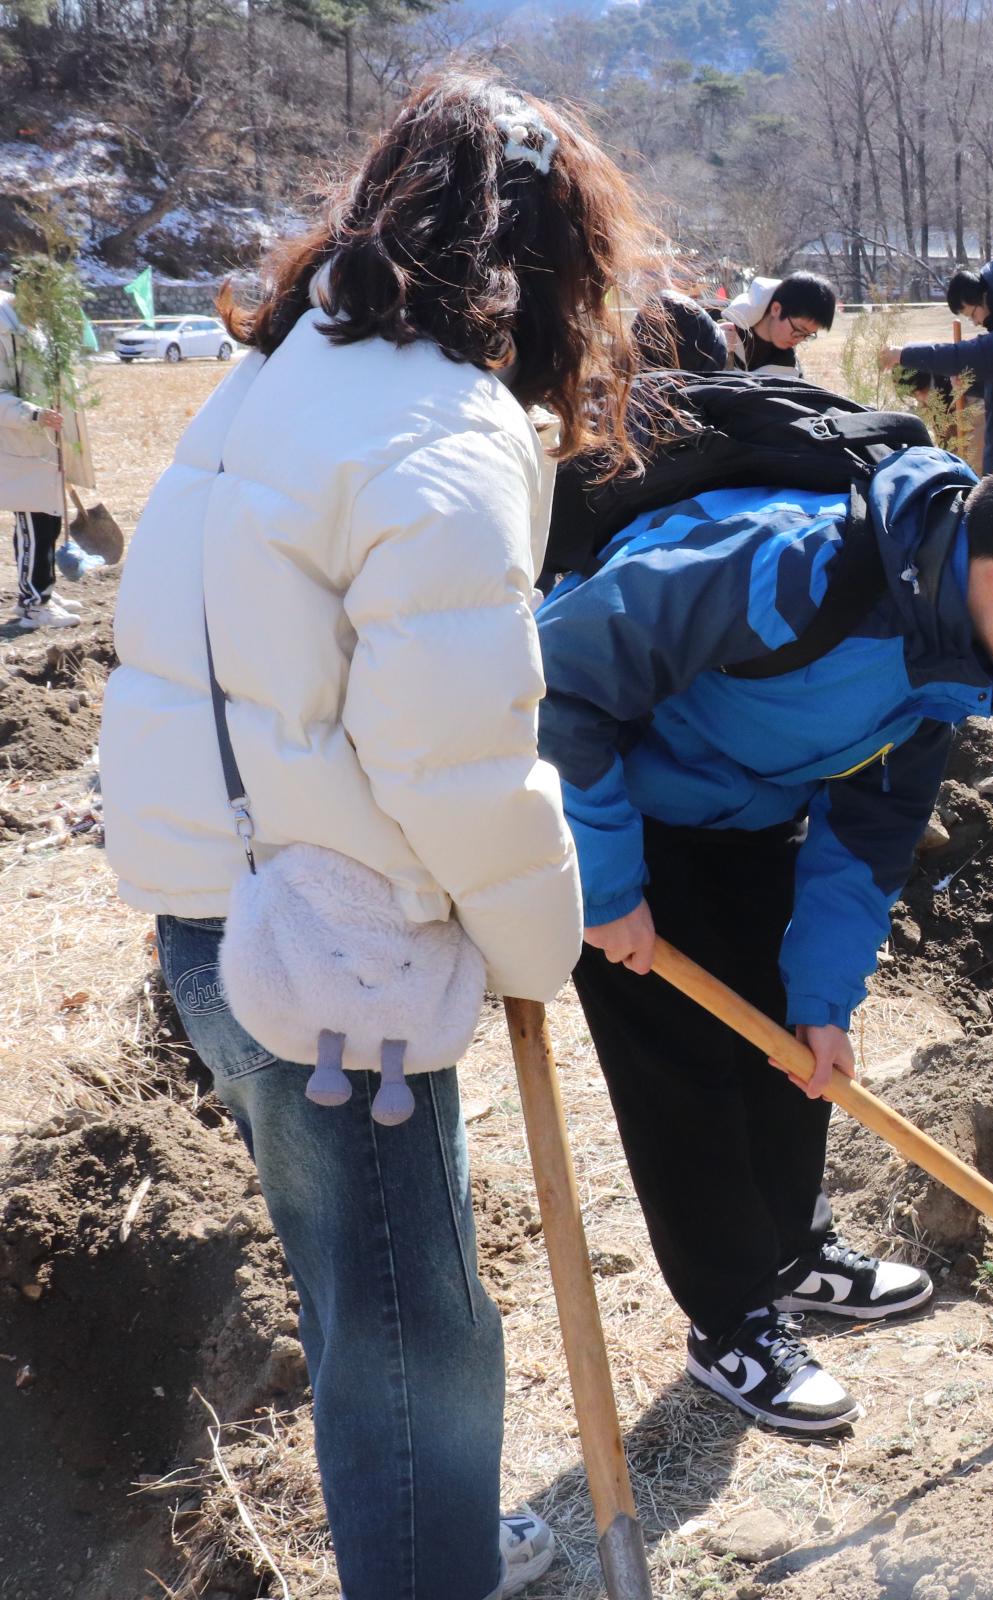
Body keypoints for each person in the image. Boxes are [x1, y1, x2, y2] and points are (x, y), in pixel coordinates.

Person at [97, 73, 659, 1600]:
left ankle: (432, 1541)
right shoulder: (442, 429)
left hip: (217, 923)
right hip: (336, 967)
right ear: (549, 257)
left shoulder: (277, 374)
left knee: (366, 1297)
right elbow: (456, 761)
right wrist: (542, 935)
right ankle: (428, 1569)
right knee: (417, 1336)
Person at [537, 442, 993, 1434]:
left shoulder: (951, 662)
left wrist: (824, 998)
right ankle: (731, 1321)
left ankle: (792, 1253)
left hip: (749, 816)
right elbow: (558, 673)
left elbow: (866, 840)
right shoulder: (789, 569)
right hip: (618, 812)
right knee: (686, 1075)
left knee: (790, 1046)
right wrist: (607, 881)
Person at [881, 246, 993, 473]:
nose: (976, 323)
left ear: (987, 296)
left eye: (972, 314)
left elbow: (965, 355)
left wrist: (904, 354)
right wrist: (975, 384)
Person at [1, 286, 95, 630]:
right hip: (21, 446)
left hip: (46, 445)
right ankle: (33, 605)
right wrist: (32, 414)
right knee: (34, 527)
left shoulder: (37, 327)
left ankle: (45, 592)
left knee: (49, 523)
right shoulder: (3, 331)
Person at [721, 271, 838, 373]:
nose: (799, 340)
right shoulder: (718, 331)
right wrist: (715, 344)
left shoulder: (790, 366)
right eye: (799, 330)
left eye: (807, 335)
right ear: (776, 309)